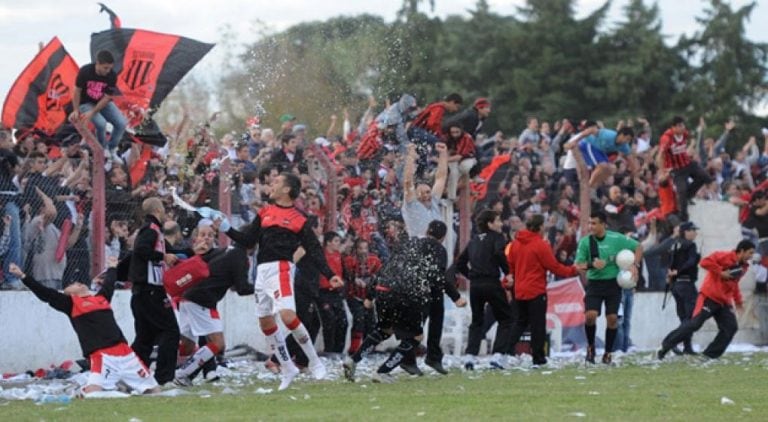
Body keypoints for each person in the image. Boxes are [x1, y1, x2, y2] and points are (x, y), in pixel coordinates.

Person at [221, 172, 342, 390]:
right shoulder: (265, 212)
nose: (272, 184)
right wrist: (226, 228)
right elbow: (249, 240)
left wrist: (329, 273)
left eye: (277, 181)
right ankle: (287, 367)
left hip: (282, 269)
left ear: (287, 190)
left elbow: (314, 250)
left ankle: (314, 361)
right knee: (266, 323)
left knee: (287, 316)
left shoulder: (299, 219)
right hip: (262, 272)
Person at [9, 258, 159, 395]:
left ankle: (120, 387)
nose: (76, 283)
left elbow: (109, 284)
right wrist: (23, 276)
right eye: (71, 285)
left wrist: (112, 267)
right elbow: (45, 293)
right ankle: (102, 389)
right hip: (102, 356)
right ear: (69, 293)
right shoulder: (71, 304)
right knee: (93, 394)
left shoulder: (101, 299)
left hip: (125, 353)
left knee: (154, 390)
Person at [342, 235, 435, 383]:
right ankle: (383, 371)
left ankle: (354, 360)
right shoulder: (418, 261)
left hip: (382, 294)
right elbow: (418, 287)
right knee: (415, 337)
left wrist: (369, 296)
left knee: (384, 331)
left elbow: (379, 275)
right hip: (400, 296)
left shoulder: (394, 258)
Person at [173, 239, 254, 386]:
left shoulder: (226, 250)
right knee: (218, 344)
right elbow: (241, 289)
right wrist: (261, 288)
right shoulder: (240, 256)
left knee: (188, 345)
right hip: (202, 300)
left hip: (188, 296)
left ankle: (169, 367)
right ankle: (182, 374)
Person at [658, 240, 755, 360]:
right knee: (694, 324)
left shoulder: (744, 267)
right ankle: (665, 345)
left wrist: (738, 302)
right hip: (709, 297)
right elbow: (704, 262)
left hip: (724, 302)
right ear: (741, 251)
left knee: (731, 327)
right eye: (750, 253)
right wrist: (721, 272)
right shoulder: (724, 256)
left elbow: (734, 284)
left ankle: (709, 356)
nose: (751, 256)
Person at [505, 214, 578, 366]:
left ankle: (505, 350)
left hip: (520, 290)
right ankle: (538, 357)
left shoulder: (516, 244)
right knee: (538, 325)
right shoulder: (541, 245)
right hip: (536, 290)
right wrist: (573, 270)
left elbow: (511, 266)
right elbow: (554, 267)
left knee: (520, 322)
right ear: (539, 228)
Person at [574, 211, 642, 365]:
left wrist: (634, 264)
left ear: (603, 224)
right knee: (590, 316)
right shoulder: (586, 242)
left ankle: (607, 353)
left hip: (613, 284)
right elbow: (578, 265)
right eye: (590, 223)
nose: (591, 226)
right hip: (594, 285)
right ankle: (591, 348)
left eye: (594, 223)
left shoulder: (616, 238)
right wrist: (592, 265)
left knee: (612, 320)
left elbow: (638, 247)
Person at [403, 220, 466, 375]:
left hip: (413, 290)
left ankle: (412, 358)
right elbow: (437, 275)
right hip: (431, 292)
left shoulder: (414, 245)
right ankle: (424, 358)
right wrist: (455, 296)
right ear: (443, 237)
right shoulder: (439, 250)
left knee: (415, 326)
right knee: (434, 324)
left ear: (427, 231)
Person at [128, 197, 179, 385]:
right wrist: (163, 257)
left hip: (142, 293)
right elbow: (142, 250)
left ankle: (133, 373)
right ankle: (164, 377)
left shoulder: (151, 230)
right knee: (171, 331)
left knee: (145, 338)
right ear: (158, 210)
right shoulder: (151, 230)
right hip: (150, 291)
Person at [456, 209, 513, 370]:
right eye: (498, 220)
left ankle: (470, 356)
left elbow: (460, 263)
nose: (501, 224)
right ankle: (497, 355)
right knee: (506, 319)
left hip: (475, 286)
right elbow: (499, 253)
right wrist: (508, 271)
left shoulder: (473, 240)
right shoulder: (497, 238)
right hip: (492, 283)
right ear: (490, 224)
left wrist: (472, 276)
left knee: (477, 321)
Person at [69, 50, 127, 159]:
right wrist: (76, 110)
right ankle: (102, 148)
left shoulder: (112, 76)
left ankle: (111, 149)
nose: (108, 71)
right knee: (101, 123)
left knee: (121, 123)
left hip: (102, 102)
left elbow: (107, 97)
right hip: (85, 102)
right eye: (105, 68)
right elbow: (77, 91)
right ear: (98, 64)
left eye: (110, 68)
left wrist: (93, 112)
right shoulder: (85, 71)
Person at [658, 116, 712, 221]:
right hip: (676, 169)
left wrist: (701, 128)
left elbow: (695, 137)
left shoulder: (684, 133)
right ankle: (683, 216)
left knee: (706, 177)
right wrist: (662, 171)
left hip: (687, 164)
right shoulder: (667, 138)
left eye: (683, 125)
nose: (683, 128)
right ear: (673, 127)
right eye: (680, 126)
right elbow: (660, 155)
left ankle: (688, 196)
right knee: (681, 191)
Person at [564, 122, 635, 188]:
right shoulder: (608, 135)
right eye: (627, 139)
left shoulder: (624, 146)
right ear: (621, 135)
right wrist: (575, 141)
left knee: (612, 169)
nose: (627, 142)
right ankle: (590, 184)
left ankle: (594, 184)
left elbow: (631, 160)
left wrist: (634, 174)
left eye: (629, 140)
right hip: (588, 144)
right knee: (603, 165)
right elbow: (591, 130)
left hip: (598, 150)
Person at [666, 222, 701, 354]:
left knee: (684, 317)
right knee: (691, 317)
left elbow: (669, 262)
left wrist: (672, 273)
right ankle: (672, 341)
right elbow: (691, 262)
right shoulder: (691, 245)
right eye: (693, 230)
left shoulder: (675, 244)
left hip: (675, 286)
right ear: (686, 231)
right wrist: (680, 270)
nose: (695, 233)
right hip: (686, 283)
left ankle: (687, 347)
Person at [343, 238, 382, 355]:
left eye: (365, 248)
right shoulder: (349, 260)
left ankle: (369, 347)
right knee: (359, 319)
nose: (363, 251)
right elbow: (346, 274)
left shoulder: (374, 260)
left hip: (368, 296)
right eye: (360, 248)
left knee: (371, 322)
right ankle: (354, 348)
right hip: (353, 295)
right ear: (356, 249)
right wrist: (354, 279)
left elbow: (380, 273)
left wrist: (374, 280)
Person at [316, 231, 348, 357]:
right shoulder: (321, 255)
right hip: (323, 292)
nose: (338, 244)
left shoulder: (339, 256)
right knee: (329, 320)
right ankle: (329, 350)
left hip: (336, 293)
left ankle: (338, 351)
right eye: (336, 241)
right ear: (328, 242)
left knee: (343, 321)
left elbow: (344, 274)